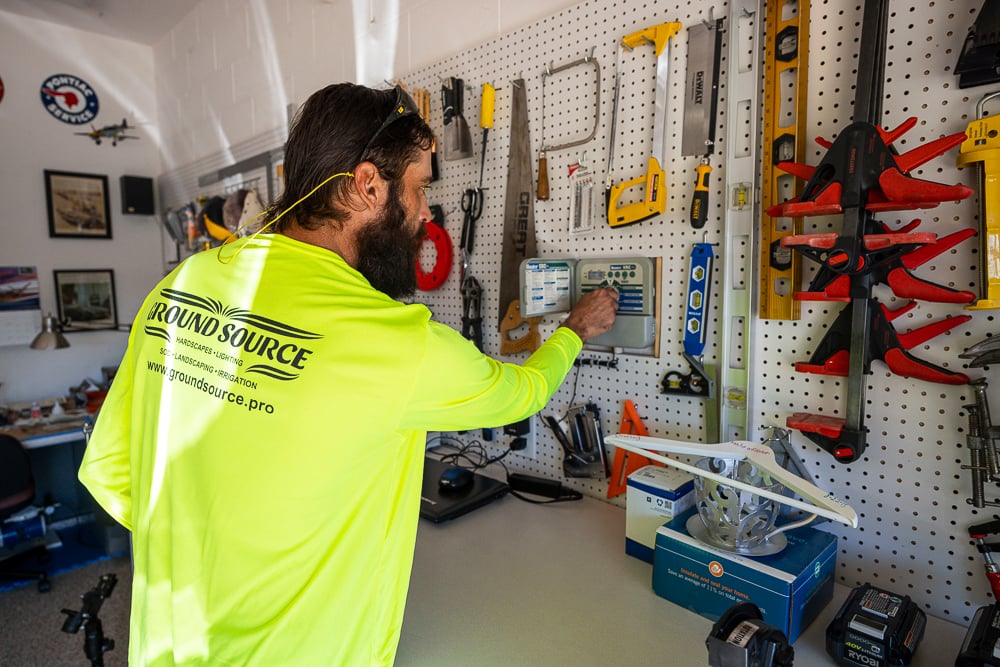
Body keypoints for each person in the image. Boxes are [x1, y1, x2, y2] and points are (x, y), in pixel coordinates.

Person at [78, 82, 618, 666]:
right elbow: (523, 393)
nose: (419, 215)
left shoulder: (179, 287)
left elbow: (120, 480)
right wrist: (574, 330)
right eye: (417, 190)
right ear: (366, 186)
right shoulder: (393, 340)